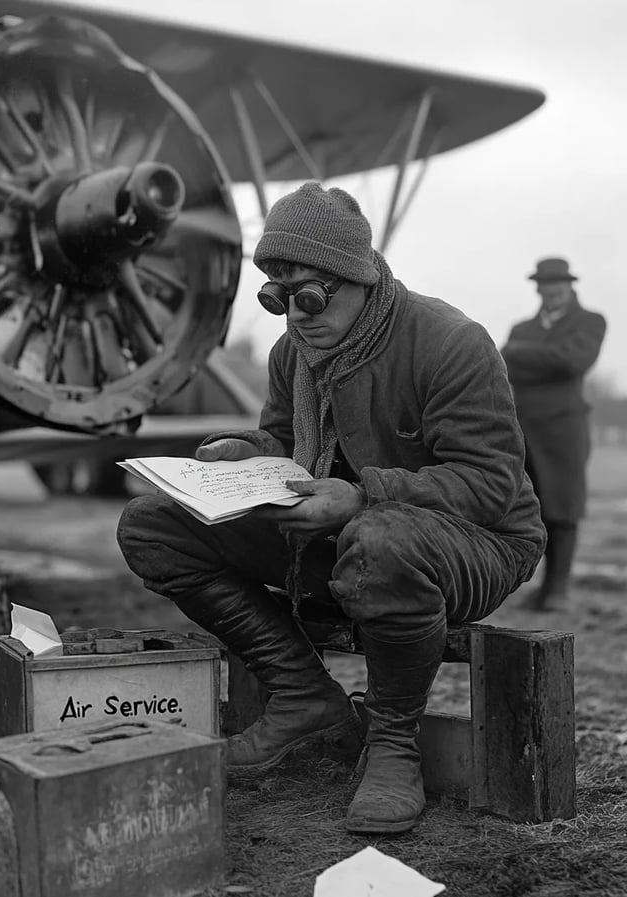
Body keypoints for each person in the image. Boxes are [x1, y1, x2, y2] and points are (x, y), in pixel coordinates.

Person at [117, 182, 545, 834]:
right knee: (152, 526)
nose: (295, 314)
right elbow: (287, 445)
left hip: (476, 540)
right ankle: (302, 695)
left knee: (380, 541)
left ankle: (393, 740)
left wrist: (362, 496)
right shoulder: (294, 353)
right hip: (341, 533)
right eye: (277, 298)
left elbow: (488, 483)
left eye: (311, 296)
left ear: (357, 278)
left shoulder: (450, 341)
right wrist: (246, 453)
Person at [501, 257, 606, 611]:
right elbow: (507, 366)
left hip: (564, 431)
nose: (552, 290)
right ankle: (540, 588)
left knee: (564, 507)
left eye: (559, 284)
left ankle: (557, 589)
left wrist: (525, 356)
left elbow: (575, 361)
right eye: (546, 284)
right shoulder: (521, 328)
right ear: (538, 288)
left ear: (570, 286)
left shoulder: (591, 321)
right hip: (524, 431)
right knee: (531, 507)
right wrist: (548, 360)